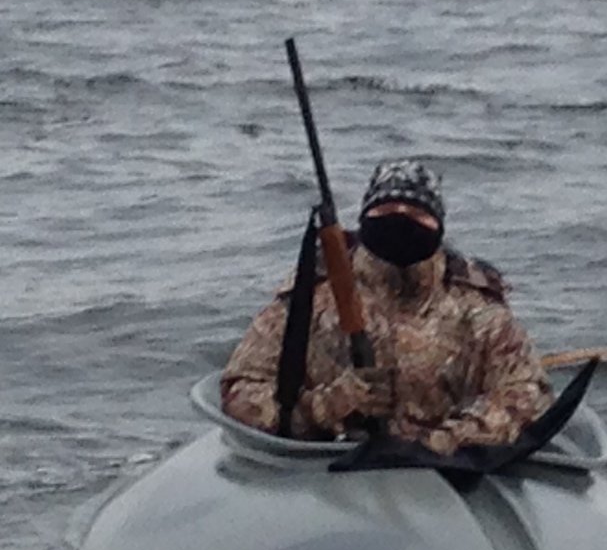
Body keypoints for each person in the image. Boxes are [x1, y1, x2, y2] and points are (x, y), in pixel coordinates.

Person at [220, 158, 552, 452]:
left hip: (443, 476)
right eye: (386, 211)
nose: (401, 220)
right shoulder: (309, 300)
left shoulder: (477, 309)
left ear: (438, 226)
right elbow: (240, 392)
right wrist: (325, 406)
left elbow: (528, 396)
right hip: (322, 470)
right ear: (365, 218)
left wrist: (445, 441)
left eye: (417, 214)